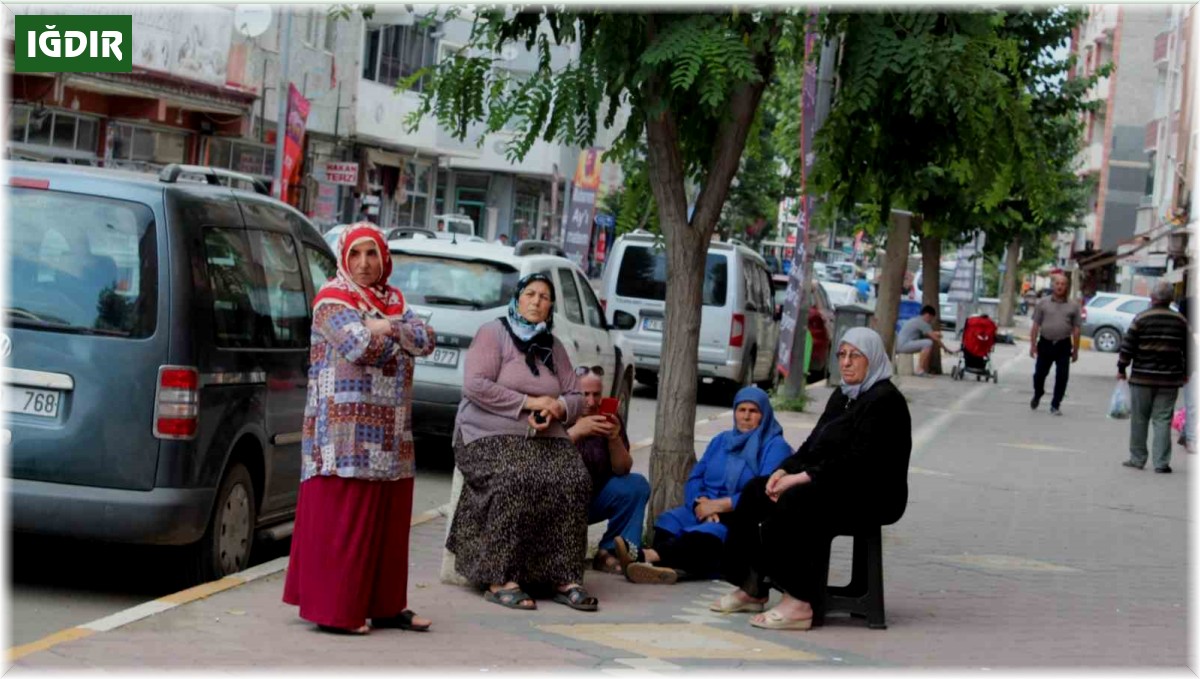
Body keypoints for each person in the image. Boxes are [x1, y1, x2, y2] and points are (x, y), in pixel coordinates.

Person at [282, 222, 437, 635]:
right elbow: (358, 346)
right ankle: (337, 612)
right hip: (343, 436)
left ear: (384, 258)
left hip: (392, 434)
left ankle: (386, 606)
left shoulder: (394, 300)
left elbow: (427, 339)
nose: (364, 263)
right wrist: (393, 333)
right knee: (344, 523)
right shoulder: (331, 299)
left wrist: (383, 325)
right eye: (355, 255)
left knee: (387, 525)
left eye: (372, 254)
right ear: (343, 259)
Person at [713, 328, 911, 630]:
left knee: (795, 501)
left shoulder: (884, 401)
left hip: (870, 492)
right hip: (833, 482)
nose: (845, 363)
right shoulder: (843, 394)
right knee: (756, 490)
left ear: (872, 359)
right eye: (841, 355)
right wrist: (783, 470)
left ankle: (799, 601)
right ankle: (751, 587)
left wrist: (800, 480)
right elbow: (812, 445)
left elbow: (858, 462)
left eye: (854, 356)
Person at [445, 273, 597, 612]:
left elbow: (574, 394)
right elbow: (476, 385)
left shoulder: (553, 347)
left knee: (573, 480)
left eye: (544, 297)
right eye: (530, 293)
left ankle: (562, 576)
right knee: (516, 479)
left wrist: (557, 406)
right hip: (486, 434)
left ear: (550, 307)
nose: (536, 301)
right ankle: (500, 578)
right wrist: (529, 403)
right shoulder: (493, 333)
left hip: (544, 438)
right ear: (518, 298)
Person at [613, 386, 791, 585]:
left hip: (740, 516)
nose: (746, 416)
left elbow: (765, 491)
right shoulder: (721, 441)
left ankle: (645, 557)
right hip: (704, 507)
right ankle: (674, 567)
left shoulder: (775, 447)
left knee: (707, 537)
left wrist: (720, 506)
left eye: (753, 411)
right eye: (741, 410)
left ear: (764, 415)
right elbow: (696, 477)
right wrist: (702, 502)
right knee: (669, 522)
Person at [566, 365, 649, 575]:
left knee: (636, 485)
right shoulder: (560, 416)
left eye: (596, 395)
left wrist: (613, 439)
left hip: (595, 498)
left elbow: (622, 469)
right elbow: (543, 460)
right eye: (585, 395)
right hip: (561, 501)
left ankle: (613, 552)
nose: (591, 402)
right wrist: (576, 432)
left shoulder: (609, 418)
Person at [1118, 282, 1190, 473]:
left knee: (1139, 419)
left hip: (1142, 378)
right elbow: (1190, 350)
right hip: (1169, 380)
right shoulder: (1180, 321)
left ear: (1152, 298)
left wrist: (1121, 368)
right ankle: (1161, 463)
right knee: (1163, 419)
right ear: (1171, 299)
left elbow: (1127, 347)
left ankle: (1137, 458)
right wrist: (1187, 373)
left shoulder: (1141, 319)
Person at [1030, 273, 1081, 415]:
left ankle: (1055, 404)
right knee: (1039, 375)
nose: (1060, 286)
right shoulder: (1043, 303)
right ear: (1053, 285)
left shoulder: (1073, 306)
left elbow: (1077, 330)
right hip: (1045, 343)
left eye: (1063, 284)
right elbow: (1035, 326)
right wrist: (1033, 345)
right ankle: (1038, 393)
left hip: (1063, 345)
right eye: (1057, 283)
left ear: (1067, 287)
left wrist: (1075, 350)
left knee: (1062, 376)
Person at [895, 305, 952, 376]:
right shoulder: (923, 323)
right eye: (931, 319)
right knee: (928, 343)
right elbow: (935, 338)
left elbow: (927, 334)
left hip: (901, 344)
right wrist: (946, 349)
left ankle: (924, 369)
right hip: (903, 346)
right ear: (927, 315)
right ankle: (919, 369)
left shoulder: (916, 320)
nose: (930, 321)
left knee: (927, 342)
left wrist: (935, 333)